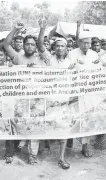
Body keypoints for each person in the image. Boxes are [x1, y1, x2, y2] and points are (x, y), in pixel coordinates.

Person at [3, 22, 46, 165]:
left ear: (36, 47)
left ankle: (32, 155)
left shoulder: (42, 60)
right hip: (18, 99)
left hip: (35, 101)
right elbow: (6, 45)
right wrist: (15, 29)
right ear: (23, 45)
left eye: (32, 45)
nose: (29, 46)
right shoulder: (18, 58)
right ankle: (10, 152)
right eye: (27, 44)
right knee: (14, 124)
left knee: (34, 127)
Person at [37, 18, 71, 169]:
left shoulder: (71, 63)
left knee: (64, 130)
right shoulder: (49, 59)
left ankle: (61, 158)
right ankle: (44, 149)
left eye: (62, 46)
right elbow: (39, 45)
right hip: (49, 100)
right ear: (54, 47)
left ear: (66, 48)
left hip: (64, 101)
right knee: (46, 126)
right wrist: (42, 29)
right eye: (57, 46)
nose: (60, 48)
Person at [66, 31, 100, 157]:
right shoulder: (72, 53)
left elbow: (99, 71)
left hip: (89, 92)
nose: (86, 45)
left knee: (87, 118)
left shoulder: (94, 54)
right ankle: (69, 138)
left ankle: (85, 147)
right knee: (73, 116)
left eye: (88, 43)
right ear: (79, 43)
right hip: (75, 90)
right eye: (84, 43)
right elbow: (68, 71)